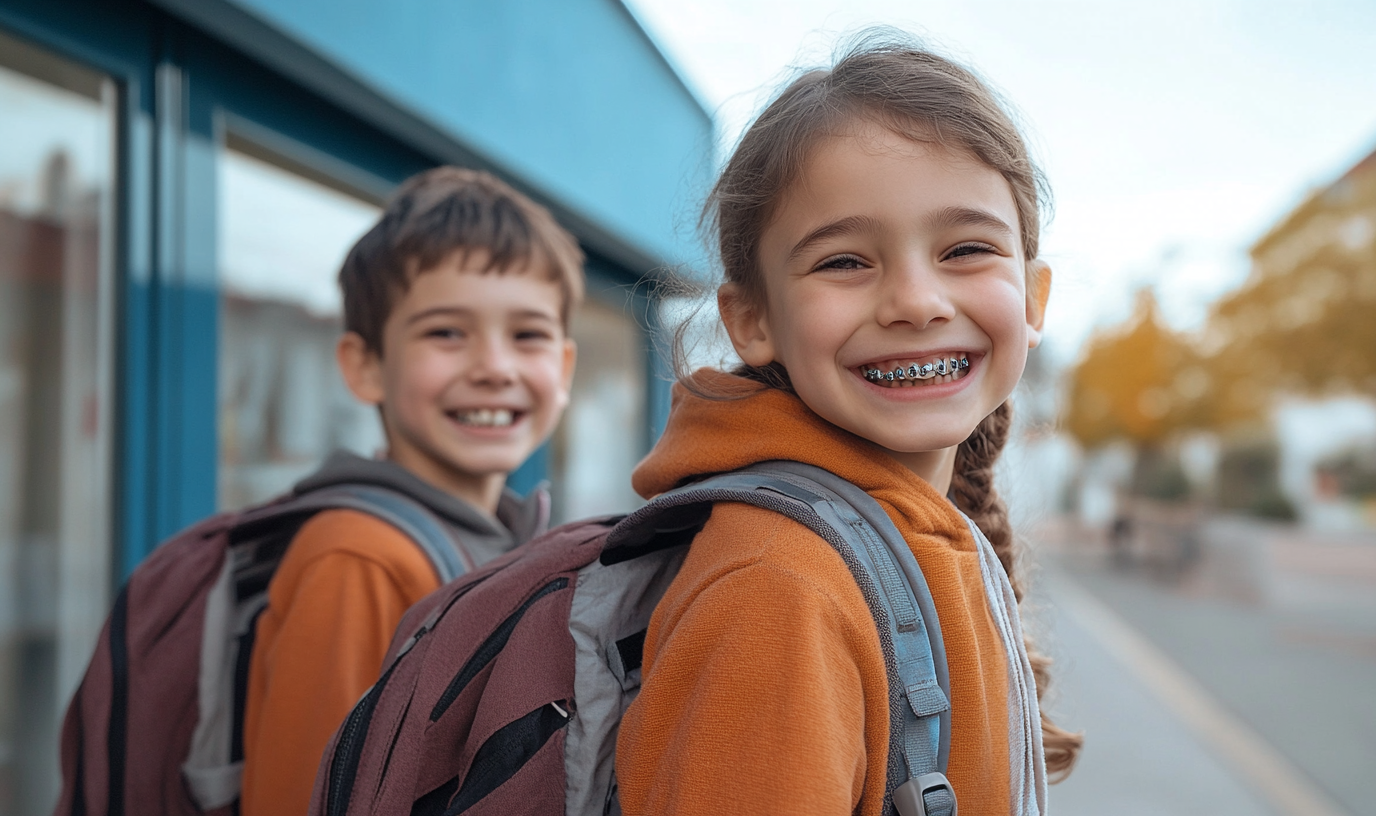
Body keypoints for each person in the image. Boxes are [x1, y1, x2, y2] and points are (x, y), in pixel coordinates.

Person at [614, 36, 1083, 815]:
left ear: (1033, 301)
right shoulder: (778, 589)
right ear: (752, 318)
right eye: (844, 262)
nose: (916, 300)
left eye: (966, 249)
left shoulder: (900, 536)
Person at [240, 167, 582, 816]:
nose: (494, 367)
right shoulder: (358, 559)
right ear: (364, 366)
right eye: (445, 333)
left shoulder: (510, 543)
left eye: (528, 335)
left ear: (563, 368)